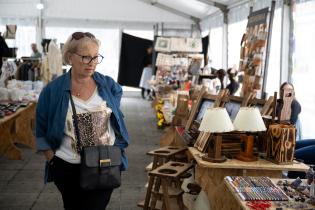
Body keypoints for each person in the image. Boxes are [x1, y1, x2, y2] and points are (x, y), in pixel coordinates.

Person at [36, 32, 129, 210]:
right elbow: (40, 129)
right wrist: (52, 160)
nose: (92, 62)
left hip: (104, 163)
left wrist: (117, 144)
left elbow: (116, 110)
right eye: (86, 57)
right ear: (70, 57)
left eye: (96, 57)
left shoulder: (108, 85)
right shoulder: (52, 91)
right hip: (67, 167)